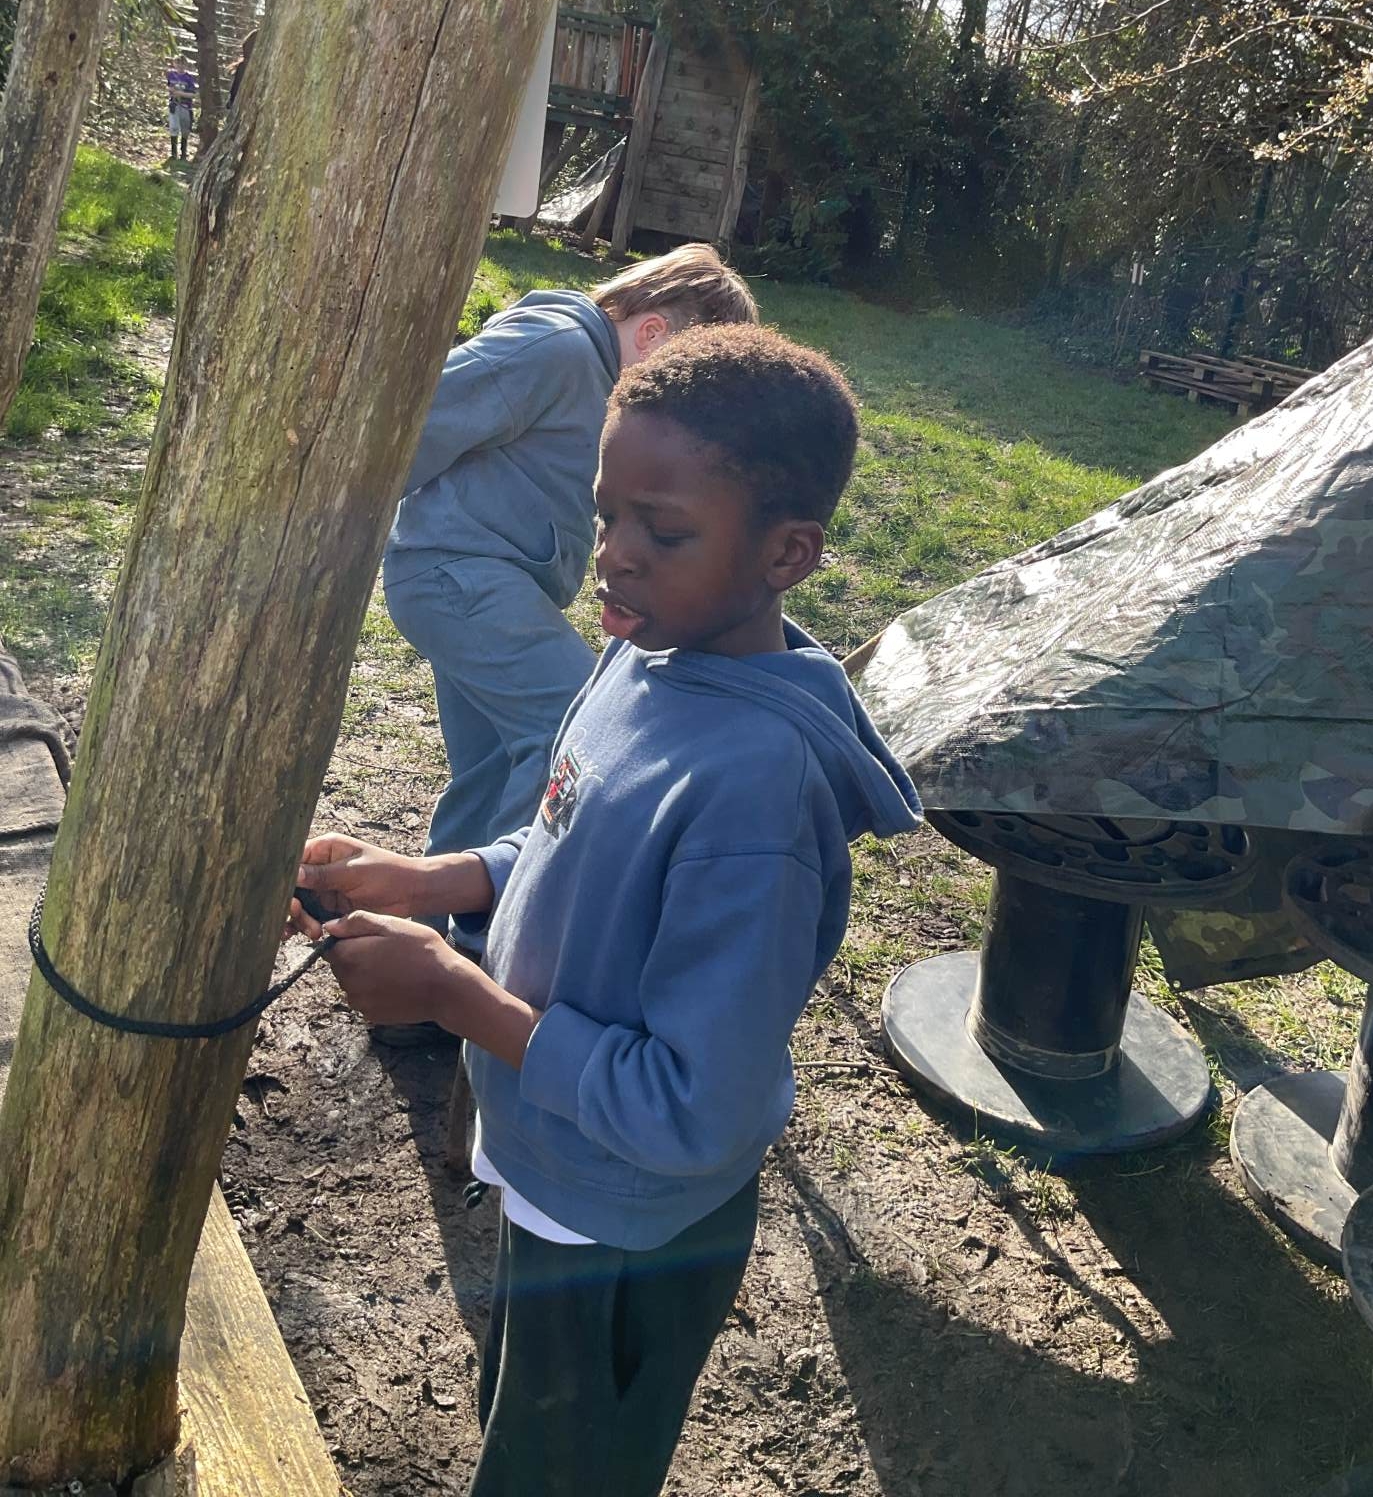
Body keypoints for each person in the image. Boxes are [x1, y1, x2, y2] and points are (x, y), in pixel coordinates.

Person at [292, 324, 921, 1497]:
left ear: (787, 553)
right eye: (605, 517)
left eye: (662, 532)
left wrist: (455, 995)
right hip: (555, 1165)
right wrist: (433, 879)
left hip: (627, 1225)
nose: (615, 557)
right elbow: (570, 835)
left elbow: (691, 1107)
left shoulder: (756, 798)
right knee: (522, 1431)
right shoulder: (647, 654)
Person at [382, 244, 757, 908]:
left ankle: (422, 928)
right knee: (571, 723)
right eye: (680, 382)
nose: (678, 409)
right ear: (651, 334)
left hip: (491, 583)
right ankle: (494, 923)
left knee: (493, 764)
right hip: (455, 573)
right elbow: (412, 425)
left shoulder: (597, 379)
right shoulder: (555, 347)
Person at [165, 59, 196, 162]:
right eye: (178, 63)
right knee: (174, 128)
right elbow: (168, 86)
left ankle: (183, 153)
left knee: (185, 129)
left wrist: (181, 94)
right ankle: (173, 153)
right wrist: (171, 90)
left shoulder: (189, 78)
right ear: (174, 64)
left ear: (186, 65)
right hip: (174, 105)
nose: (180, 66)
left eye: (182, 64)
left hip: (186, 106)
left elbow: (193, 94)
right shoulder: (171, 75)